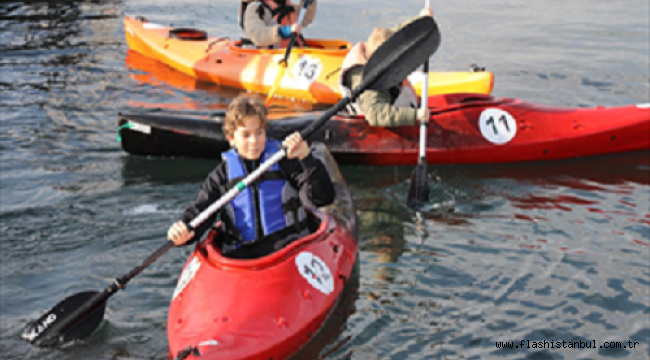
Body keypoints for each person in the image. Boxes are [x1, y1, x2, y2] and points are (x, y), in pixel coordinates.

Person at [167, 94, 335, 259]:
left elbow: (321, 198)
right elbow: (202, 211)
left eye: (259, 132)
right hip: (241, 257)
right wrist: (184, 228)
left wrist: (306, 158)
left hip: (288, 250)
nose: (254, 141)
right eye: (246, 135)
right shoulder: (221, 177)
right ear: (231, 138)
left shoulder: (285, 161)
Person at [338, 6, 434, 127]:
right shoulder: (369, 85)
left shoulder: (378, 45)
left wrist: (421, 21)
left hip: (387, 97)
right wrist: (415, 115)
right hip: (376, 115)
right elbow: (376, 115)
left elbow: (400, 34)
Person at [239, 0, 317, 48]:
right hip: (269, 59)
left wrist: (310, 3)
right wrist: (284, 31)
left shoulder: (288, 6)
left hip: (292, 55)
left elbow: (306, 18)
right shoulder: (255, 8)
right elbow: (256, 33)